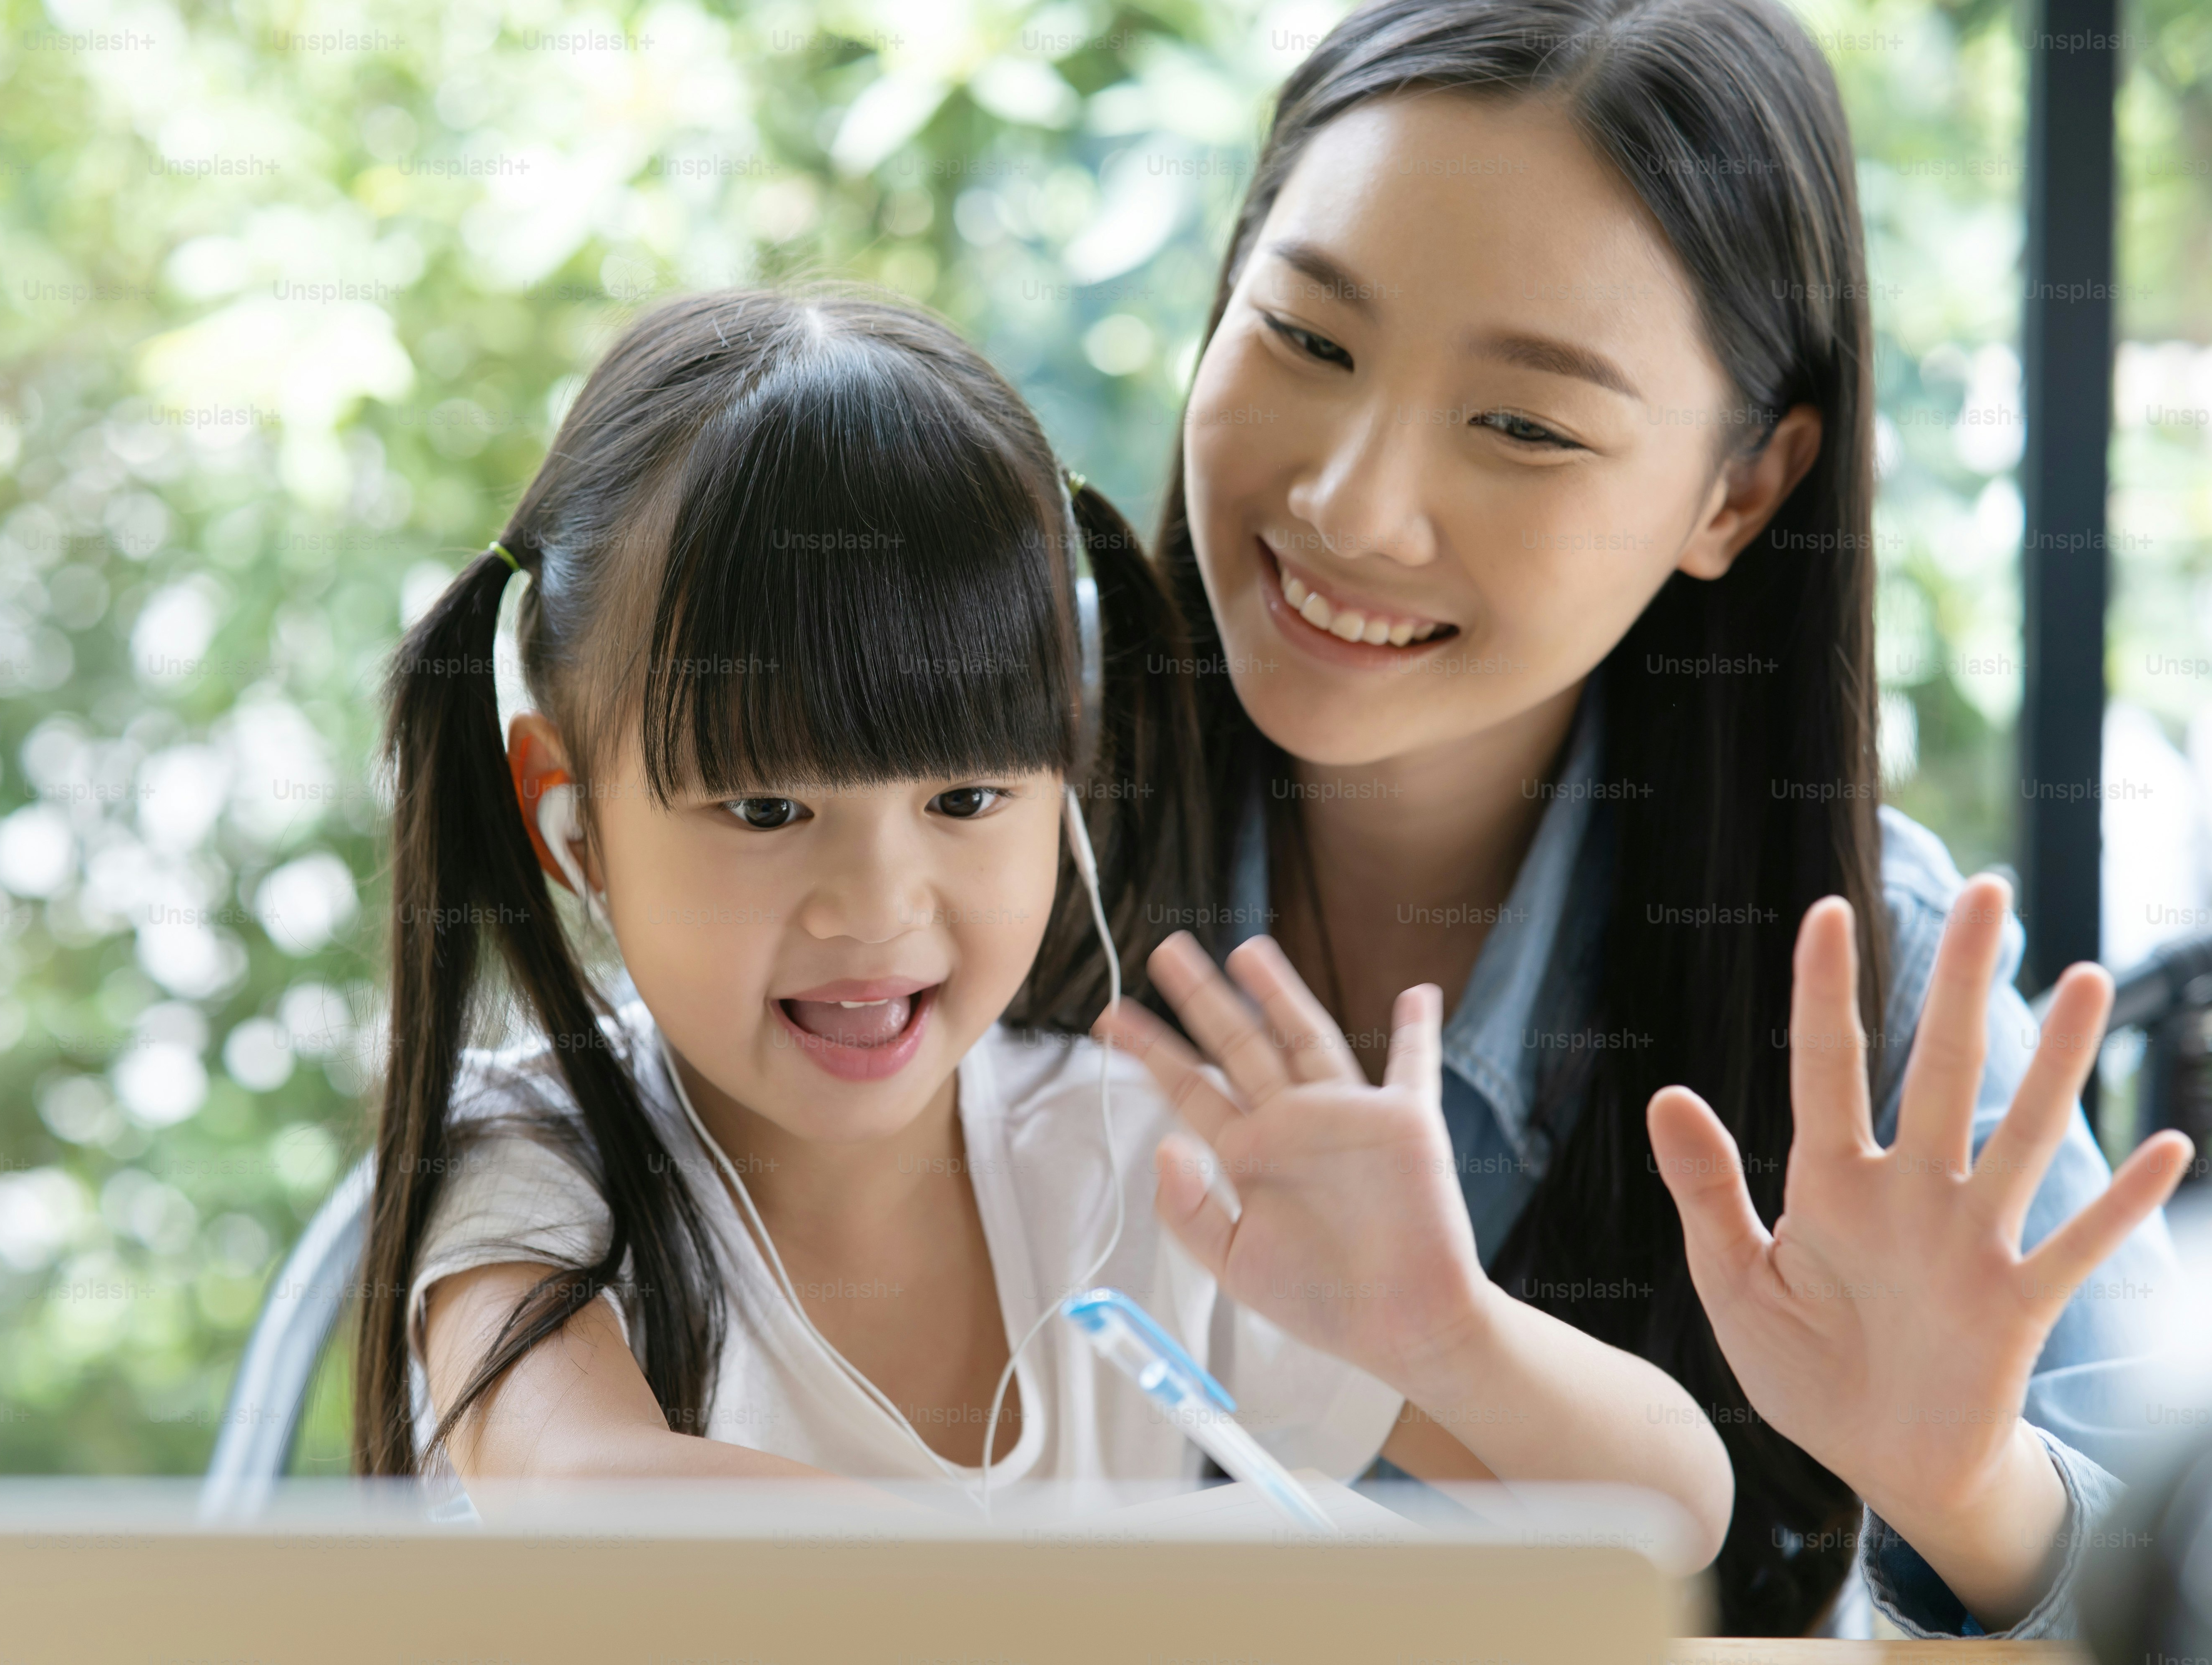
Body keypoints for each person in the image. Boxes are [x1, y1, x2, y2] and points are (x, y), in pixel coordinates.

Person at [346, 286, 1735, 1562]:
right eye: (766, 811)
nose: (878, 908)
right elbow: (588, 1494)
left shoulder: (1125, 1157)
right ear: (568, 816)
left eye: (965, 796)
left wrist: (1449, 1333)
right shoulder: (528, 1162)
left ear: (1064, 768)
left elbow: (1668, 1519)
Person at [1122, 0, 2197, 1636]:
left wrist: (1967, 1491)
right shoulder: (949, 800)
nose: (1350, 501)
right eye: (1309, 338)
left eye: (1524, 425)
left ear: (1740, 490)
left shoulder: (1860, 980)